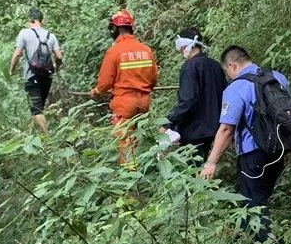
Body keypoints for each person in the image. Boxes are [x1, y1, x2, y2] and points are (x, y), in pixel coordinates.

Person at [200, 46, 291, 244]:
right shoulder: (277, 77)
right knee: (254, 199)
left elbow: (226, 129)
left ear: (232, 65)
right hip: (279, 150)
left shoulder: (237, 87)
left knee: (255, 205)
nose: (227, 75)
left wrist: (211, 162)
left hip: (253, 154)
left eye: (226, 71)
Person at [90, 9, 159, 163]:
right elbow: (153, 79)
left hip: (124, 103)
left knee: (125, 143)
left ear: (114, 29)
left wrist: (97, 91)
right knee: (138, 138)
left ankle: (130, 179)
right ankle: (145, 169)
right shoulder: (146, 50)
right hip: (144, 102)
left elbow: (105, 82)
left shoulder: (114, 51)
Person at [162, 27, 226, 162]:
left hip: (194, 131)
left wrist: (168, 122)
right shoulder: (215, 65)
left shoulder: (189, 67)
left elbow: (188, 100)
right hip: (215, 129)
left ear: (184, 45)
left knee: (192, 170)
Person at [9, 8, 63, 133]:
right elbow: (59, 56)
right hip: (46, 76)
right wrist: (57, 67)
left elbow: (17, 54)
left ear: (30, 20)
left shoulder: (24, 33)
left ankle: (48, 141)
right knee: (38, 108)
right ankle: (37, 137)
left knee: (37, 110)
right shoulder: (51, 36)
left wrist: (11, 70)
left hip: (31, 76)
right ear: (42, 20)